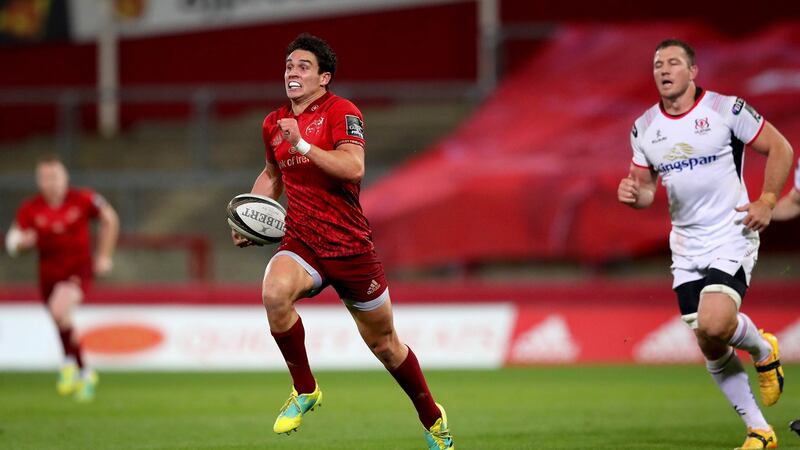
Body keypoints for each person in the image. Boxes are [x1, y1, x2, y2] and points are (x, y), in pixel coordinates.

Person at [231, 33, 454, 449]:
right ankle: (305, 389)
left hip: (350, 247)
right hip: (302, 242)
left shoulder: (342, 112)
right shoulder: (273, 122)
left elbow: (352, 168)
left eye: (302, 67)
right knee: (274, 293)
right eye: (288, 66)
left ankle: (432, 417)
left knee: (385, 346)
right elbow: (273, 174)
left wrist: (301, 141)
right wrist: (251, 212)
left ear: (324, 78)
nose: (291, 73)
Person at [617, 39, 793, 449]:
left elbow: (780, 148)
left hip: (731, 232)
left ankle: (762, 350)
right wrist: (634, 195)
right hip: (686, 245)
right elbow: (644, 191)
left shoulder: (725, 110)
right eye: (658, 63)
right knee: (709, 341)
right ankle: (760, 431)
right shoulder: (644, 127)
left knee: (716, 323)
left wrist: (767, 200)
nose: (663, 69)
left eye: (673, 62)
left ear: (693, 71)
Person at [6, 154, 119, 402]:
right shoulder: (31, 208)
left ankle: (68, 365)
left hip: (78, 271)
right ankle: (84, 371)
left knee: (59, 309)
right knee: (62, 319)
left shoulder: (83, 199)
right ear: (39, 180)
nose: (51, 182)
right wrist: (20, 244)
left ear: (65, 177)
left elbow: (109, 218)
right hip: (47, 276)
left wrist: (104, 255)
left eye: (55, 176)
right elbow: (12, 240)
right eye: (45, 177)